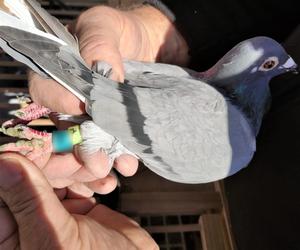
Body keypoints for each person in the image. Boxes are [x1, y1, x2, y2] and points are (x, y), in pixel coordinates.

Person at [1, 0, 299, 248]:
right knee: (88, 142)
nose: (290, 66)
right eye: (272, 65)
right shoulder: (235, 140)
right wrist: (152, 30)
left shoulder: (223, 122)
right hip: (100, 110)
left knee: (89, 140)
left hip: (230, 221)